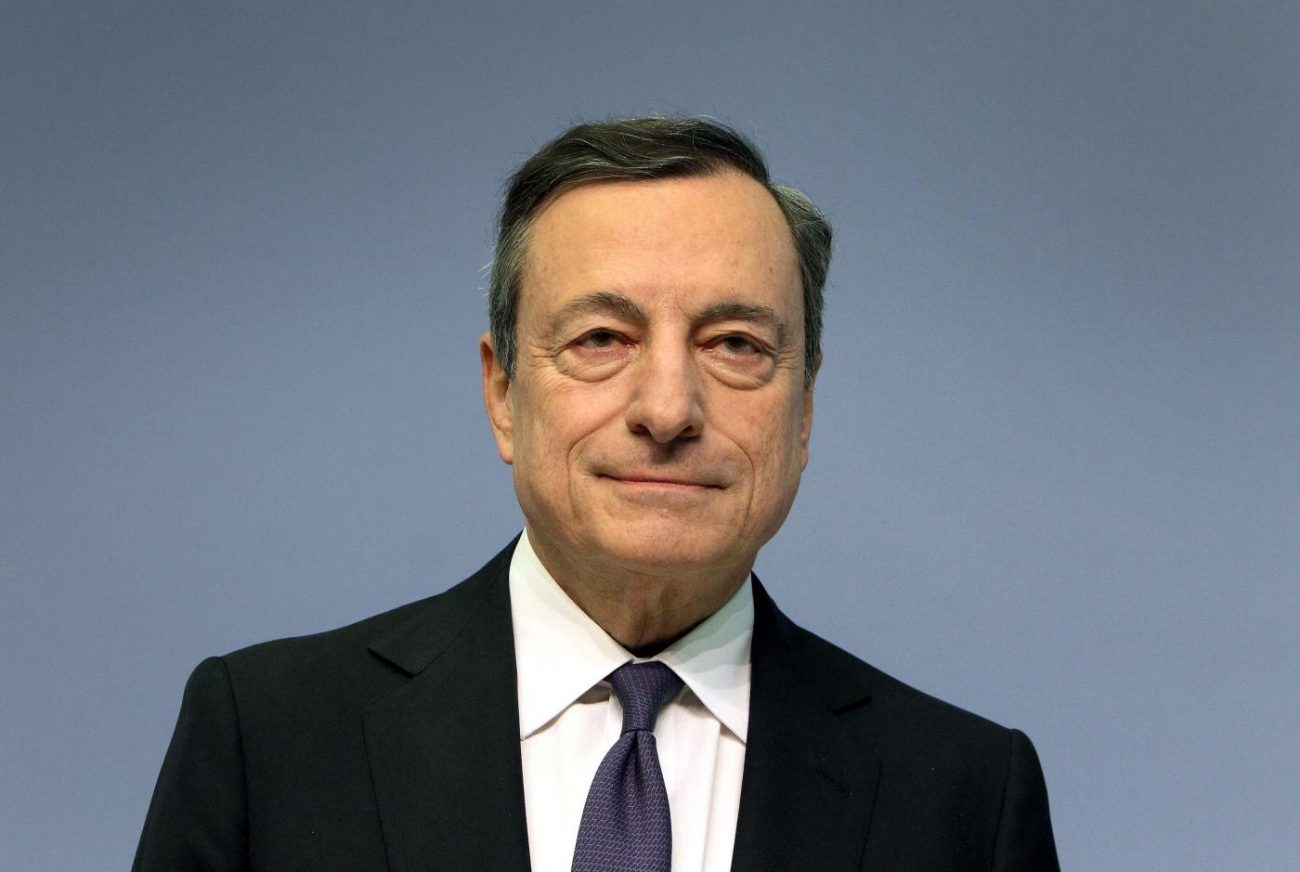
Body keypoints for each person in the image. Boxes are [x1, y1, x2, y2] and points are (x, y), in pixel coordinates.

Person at [134, 117, 1060, 871]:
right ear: (503, 393)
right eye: (602, 339)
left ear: (805, 409)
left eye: (735, 345)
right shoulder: (269, 740)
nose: (668, 409)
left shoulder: (965, 799)